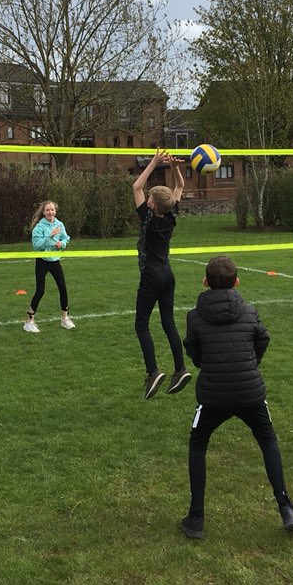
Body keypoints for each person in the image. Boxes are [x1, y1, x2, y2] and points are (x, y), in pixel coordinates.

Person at [179, 255, 293, 539]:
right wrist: (247, 363)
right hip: (244, 392)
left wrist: (245, 363)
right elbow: (259, 339)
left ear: (205, 282)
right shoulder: (241, 312)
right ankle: (285, 509)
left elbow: (197, 350)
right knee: (267, 440)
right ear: (236, 282)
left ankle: (197, 518)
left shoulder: (199, 316)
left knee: (199, 444)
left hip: (219, 393)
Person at [132, 149, 191, 399]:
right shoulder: (171, 215)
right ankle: (180, 368)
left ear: (152, 204)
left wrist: (155, 162)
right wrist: (174, 168)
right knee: (168, 322)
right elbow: (180, 185)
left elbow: (136, 186)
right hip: (168, 275)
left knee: (141, 324)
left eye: (149, 197)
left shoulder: (147, 218)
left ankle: (153, 372)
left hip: (151, 277)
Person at [24, 200, 75, 333]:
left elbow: (66, 238)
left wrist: (61, 244)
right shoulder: (39, 227)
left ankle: (65, 319)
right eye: (47, 210)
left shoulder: (59, 224)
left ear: (55, 211)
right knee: (40, 290)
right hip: (42, 261)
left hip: (55, 261)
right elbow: (36, 245)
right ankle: (29, 321)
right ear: (43, 212)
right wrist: (50, 236)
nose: (50, 212)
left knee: (63, 288)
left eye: (52, 209)